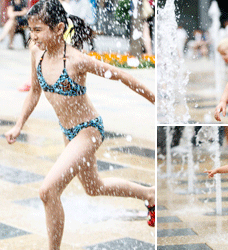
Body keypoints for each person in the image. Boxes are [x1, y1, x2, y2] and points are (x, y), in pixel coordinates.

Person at [4, 0, 155, 249]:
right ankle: (149, 194)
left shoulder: (75, 60)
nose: (34, 36)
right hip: (68, 133)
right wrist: (19, 125)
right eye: (31, 30)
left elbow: (122, 75)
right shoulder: (36, 52)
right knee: (94, 187)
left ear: (59, 28)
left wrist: (155, 100)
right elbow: (34, 92)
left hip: (89, 130)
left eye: (39, 30)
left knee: (47, 191)